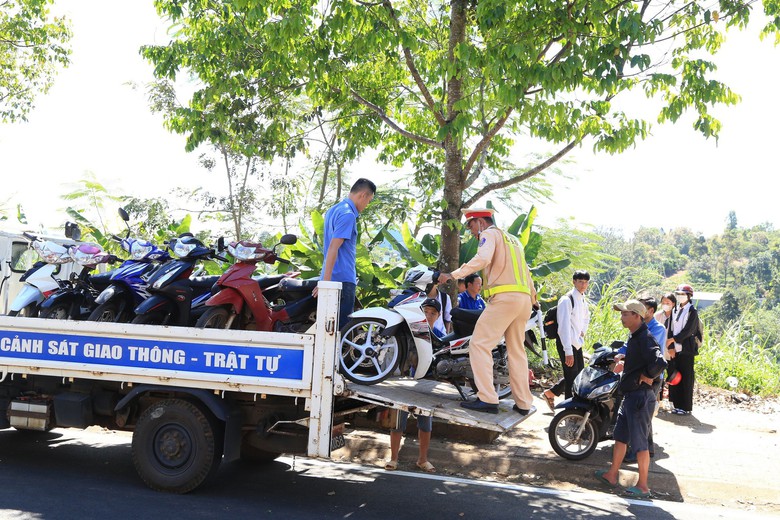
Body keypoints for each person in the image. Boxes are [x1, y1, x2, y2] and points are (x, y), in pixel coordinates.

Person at [437, 207, 538, 415]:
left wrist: (453, 275)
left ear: (481, 222)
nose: (472, 232)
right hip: (524, 300)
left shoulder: (489, 234)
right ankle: (523, 402)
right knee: (516, 352)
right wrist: (534, 299)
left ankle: (487, 399)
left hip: (504, 299)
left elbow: (482, 259)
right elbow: (527, 273)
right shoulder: (514, 241)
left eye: (471, 225)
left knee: (479, 344)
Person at [595, 299, 666, 498]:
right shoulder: (635, 336)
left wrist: (649, 376)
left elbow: (660, 362)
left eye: (625, 314)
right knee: (620, 437)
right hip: (630, 396)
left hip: (640, 397)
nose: (622, 317)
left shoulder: (645, 337)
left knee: (640, 443)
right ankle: (611, 474)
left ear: (637, 316)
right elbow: (641, 360)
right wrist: (627, 361)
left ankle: (643, 486)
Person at [385, 297, 442, 473]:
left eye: (433, 313)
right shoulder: (410, 330)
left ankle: (422, 460)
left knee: (426, 425)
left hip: (426, 387)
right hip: (403, 384)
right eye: (425, 311)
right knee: (397, 424)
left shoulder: (438, 337)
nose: (429, 315)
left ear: (438, 316)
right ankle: (393, 458)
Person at [316, 178, 376, 329]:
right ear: (363, 195)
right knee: (341, 332)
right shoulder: (348, 214)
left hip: (331, 278)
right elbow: (333, 248)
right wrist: (325, 284)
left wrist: (324, 278)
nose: (367, 205)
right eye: (369, 200)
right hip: (341, 281)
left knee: (328, 329)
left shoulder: (334, 210)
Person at [624, 297, 667, 461]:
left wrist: (648, 376)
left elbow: (659, 361)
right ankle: (642, 448)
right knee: (639, 415)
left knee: (642, 416)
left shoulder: (654, 330)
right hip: (636, 377)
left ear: (650, 311)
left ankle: (642, 450)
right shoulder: (637, 329)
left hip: (651, 378)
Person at [542, 270, 591, 411]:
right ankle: (569, 412)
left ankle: (551, 393)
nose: (583, 285)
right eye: (580, 281)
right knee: (571, 378)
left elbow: (586, 317)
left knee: (578, 375)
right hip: (566, 343)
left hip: (577, 343)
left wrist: (583, 331)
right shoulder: (566, 299)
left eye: (586, 282)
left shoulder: (582, 299)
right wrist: (568, 351)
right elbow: (563, 327)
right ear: (574, 282)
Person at [667, 284, 700, 415]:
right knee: (674, 375)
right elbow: (670, 328)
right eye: (678, 294)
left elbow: (689, 330)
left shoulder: (692, 311)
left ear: (689, 296)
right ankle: (675, 404)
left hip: (686, 350)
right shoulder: (674, 310)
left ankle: (685, 407)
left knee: (686, 377)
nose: (680, 297)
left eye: (683, 294)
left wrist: (674, 339)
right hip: (674, 349)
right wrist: (670, 346)